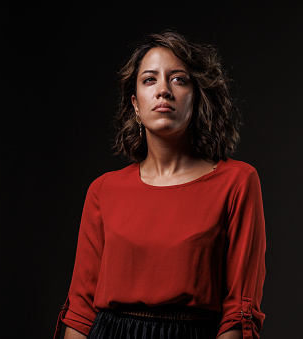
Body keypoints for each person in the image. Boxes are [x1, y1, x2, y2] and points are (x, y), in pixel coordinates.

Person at [54, 31, 266, 339]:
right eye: (149, 80)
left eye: (178, 79)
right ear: (136, 105)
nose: (163, 90)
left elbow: (239, 310)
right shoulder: (103, 190)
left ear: (197, 97)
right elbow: (81, 309)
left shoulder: (237, 182)